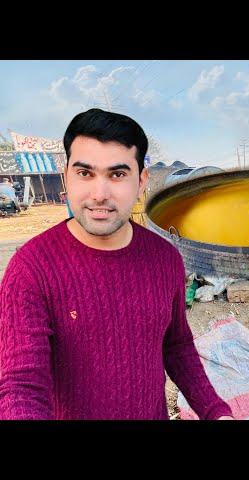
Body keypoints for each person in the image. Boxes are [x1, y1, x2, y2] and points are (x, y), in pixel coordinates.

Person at [0, 108, 233, 420]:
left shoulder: (165, 259)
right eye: (85, 173)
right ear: (66, 176)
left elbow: (176, 346)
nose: (99, 194)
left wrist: (217, 412)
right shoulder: (31, 269)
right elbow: (21, 384)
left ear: (141, 182)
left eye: (117, 175)